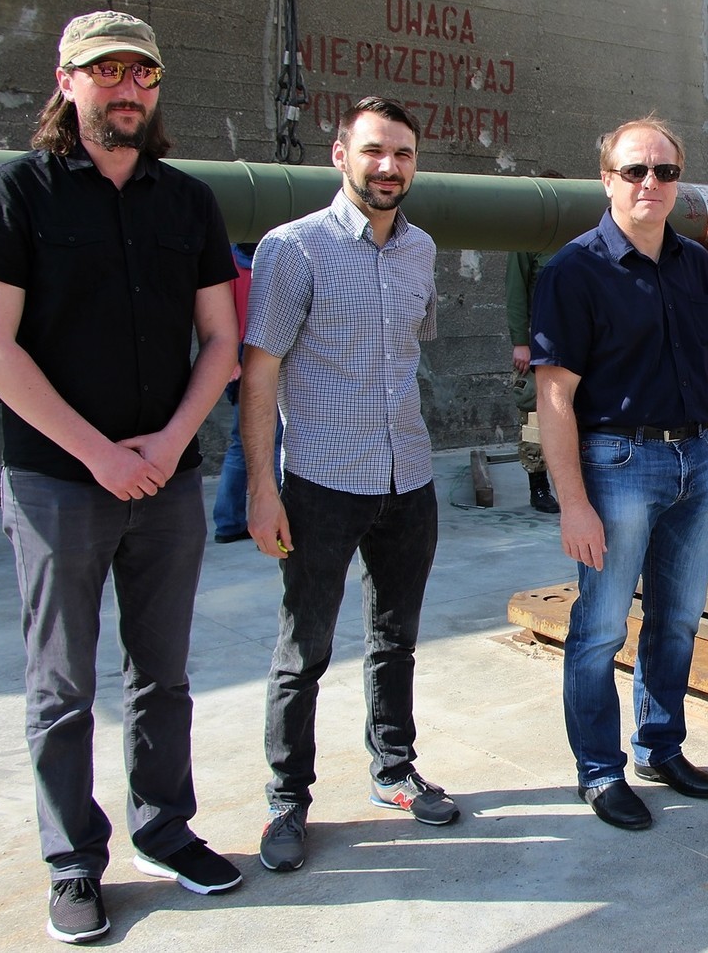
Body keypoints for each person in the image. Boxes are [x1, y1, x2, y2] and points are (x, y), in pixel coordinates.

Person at [0, 10, 242, 943]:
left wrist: (166, 446)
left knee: (163, 674)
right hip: (57, 482)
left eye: (143, 74)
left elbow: (221, 339)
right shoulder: (15, 192)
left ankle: (164, 830)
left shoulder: (186, 202)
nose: (128, 88)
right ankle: (73, 861)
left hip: (168, 480)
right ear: (67, 80)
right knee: (62, 686)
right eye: (107, 70)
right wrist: (100, 453)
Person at [244, 96, 458, 875]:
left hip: (409, 476)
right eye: (373, 151)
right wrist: (262, 488)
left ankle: (394, 769)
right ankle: (286, 799)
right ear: (341, 155)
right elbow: (259, 373)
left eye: (402, 154)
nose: (388, 167)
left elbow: (408, 349)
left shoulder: (420, 250)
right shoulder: (292, 250)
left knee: (395, 640)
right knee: (304, 648)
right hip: (322, 482)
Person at [530, 116, 708, 830]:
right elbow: (554, 396)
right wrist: (572, 503)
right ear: (607, 179)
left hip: (694, 459)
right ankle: (599, 771)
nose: (651, 183)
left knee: (677, 621)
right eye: (634, 170)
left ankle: (660, 747)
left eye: (664, 172)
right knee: (601, 629)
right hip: (618, 463)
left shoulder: (695, 264)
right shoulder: (573, 270)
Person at [212, 242, 281, 542]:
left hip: (237, 356)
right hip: (263, 353)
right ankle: (275, 516)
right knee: (272, 441)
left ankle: (228, 522)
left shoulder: (227, 261)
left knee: (241, 442)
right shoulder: (274, 258)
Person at [507, 239, 560, 513]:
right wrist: (520, 341)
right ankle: (538, 485)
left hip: (581, 340)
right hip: (540, 341)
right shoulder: (530, 235)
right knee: (533, 411)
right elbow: (516, 289)